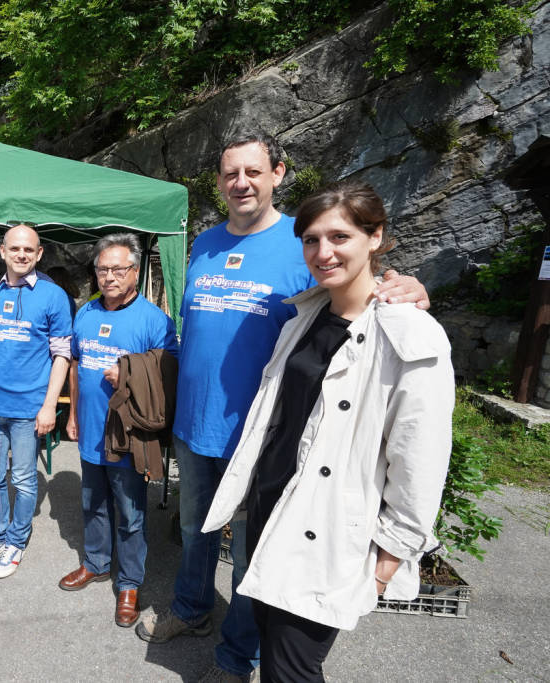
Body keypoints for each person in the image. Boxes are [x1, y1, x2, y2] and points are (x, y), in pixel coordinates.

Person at [137, 133, 430, 683]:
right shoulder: (202, 244)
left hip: (261, 437)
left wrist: (407, 285)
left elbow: (357, 291)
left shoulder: (302, 246)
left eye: (253, 171)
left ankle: (236, 655)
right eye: (229, 174)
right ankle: (191, 610)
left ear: (278, 173)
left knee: (253, 554)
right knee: (195, 528)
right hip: (195, 424)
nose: (240, 183)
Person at [202, 180, 453, 680]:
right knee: (270, 637)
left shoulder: (409, 334)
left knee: (292, 667)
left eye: (340, 237)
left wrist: (390, 558)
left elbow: (420, 460)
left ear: (375, 237)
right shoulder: (307, 313)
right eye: (312, 239)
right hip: (274, 507)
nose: (323, 252)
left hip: (328, 530)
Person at [59, 233, 179, 627]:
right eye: (102, 269)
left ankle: (129, 583)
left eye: (118, 269)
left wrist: (131, 370)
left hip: (128, 434)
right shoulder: (87, 313)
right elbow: (76, 367)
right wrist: (72, 415)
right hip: (91, 428)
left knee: (130, 512)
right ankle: (96, 562)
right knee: (92, 501)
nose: (109, 276)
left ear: (135, 271)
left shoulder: (153, 319)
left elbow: (169, 371)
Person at [0, 223, 72, 578]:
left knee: (23, 480)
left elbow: (62, 355)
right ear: (2, 252)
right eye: (15, 248)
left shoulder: (53, 297)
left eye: (29, 249)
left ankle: (15, 542)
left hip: (27, 410)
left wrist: (49, 405)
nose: (22, 254)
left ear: (39, 254)